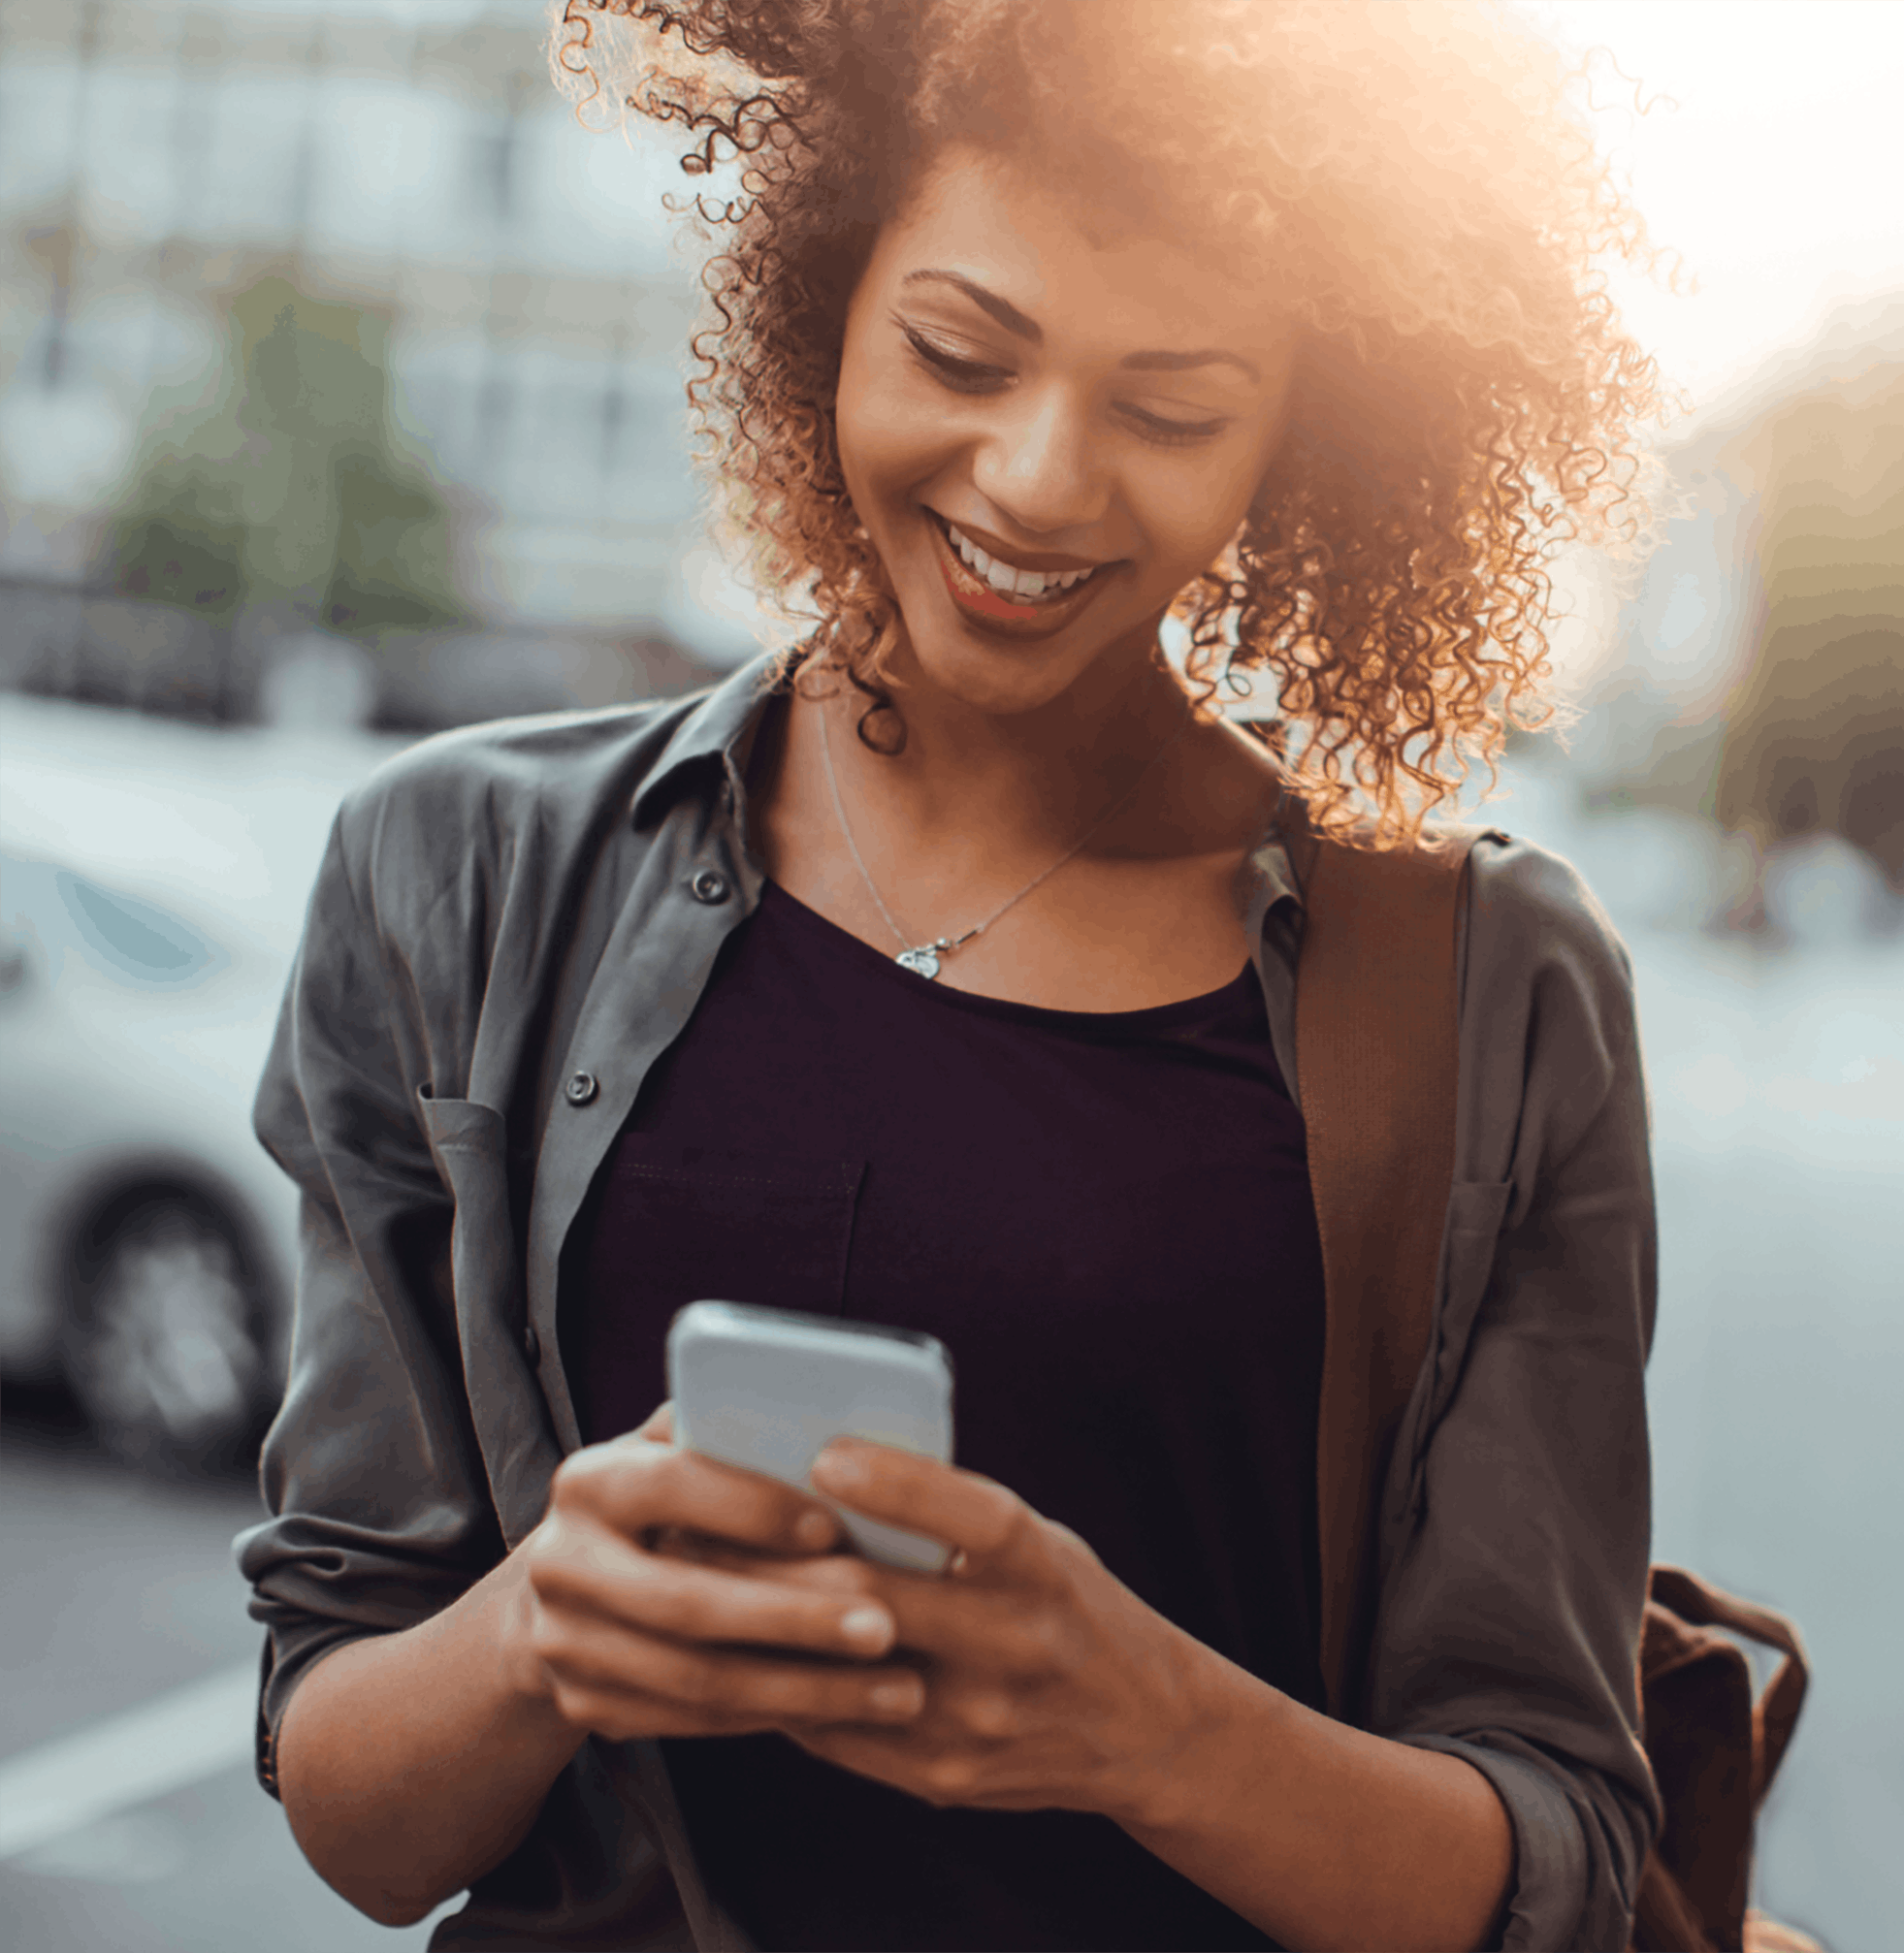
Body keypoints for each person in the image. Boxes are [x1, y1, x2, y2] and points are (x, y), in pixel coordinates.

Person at [236, 2, 1669, 1948]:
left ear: (1307, 436)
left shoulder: (1495, 995)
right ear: (828, 296)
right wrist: (540, 1626)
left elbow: (1556, 1866)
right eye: (961, 354)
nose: (1039, 479)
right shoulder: (458, 874)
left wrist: (1143, 1720)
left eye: (1170, 411)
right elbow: (360, 1811)